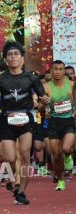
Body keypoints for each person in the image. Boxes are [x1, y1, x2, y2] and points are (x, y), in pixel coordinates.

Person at [0, 41, 49, 205]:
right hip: (6, 121)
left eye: (16, 54)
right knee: (9, 157)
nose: (13, 57)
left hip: (25, 119)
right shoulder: (0, 80)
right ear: (6, 60)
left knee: (25, 155)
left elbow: (42, 98)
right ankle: (14, 181)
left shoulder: (31, 78)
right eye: (10, 55)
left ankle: (21, 191)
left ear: (22, 58)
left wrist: (45, 101)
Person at [41, 60, 76, 191]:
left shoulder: (72, 85)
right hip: (54, 122)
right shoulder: (46, 87)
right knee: (55, 155)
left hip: (69, 121)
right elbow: (40, 107)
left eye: (61, 69)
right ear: (51, 70)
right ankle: (61, 180)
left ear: (64, 71)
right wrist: (44, 105)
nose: (58, 72)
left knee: (66, 148)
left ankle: (68, 156)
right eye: (55, 69)